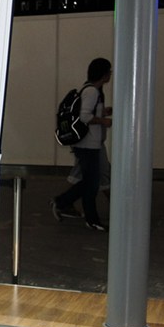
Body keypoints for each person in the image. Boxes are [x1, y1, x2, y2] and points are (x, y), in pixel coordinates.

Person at [51, 58, 113, 231]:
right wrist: (103, 121)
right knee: (91, 184)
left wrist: (103, 112)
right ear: (103, 74)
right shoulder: (92, 91)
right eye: (109, 72)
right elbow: (84, 116)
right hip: (88, 145)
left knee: (90, 182)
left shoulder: (91, 89)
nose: (110, 75)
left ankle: (64, 203)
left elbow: (87, 112)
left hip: (89, 145)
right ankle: (89, 219)